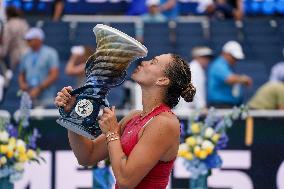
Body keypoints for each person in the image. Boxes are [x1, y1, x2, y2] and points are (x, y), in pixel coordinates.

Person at [54, 54, 196, 188]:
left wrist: (112, 133)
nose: (143, 62)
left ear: (162, 80)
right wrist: (74, 115)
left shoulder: (165, 123)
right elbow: (87, 156)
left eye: (153, 62)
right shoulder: (134, 116)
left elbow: (125, 181)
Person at [18, 27, 59, 108]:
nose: (27, 42)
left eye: (30, 40)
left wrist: (39, 88)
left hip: (46, 98)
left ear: (38, 39)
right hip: (29, 97)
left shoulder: (51, 53)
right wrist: (22, 84)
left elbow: (54, 75)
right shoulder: (25, 55)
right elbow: (22, 74)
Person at [207, 41, 252, 108]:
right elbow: (229, 79)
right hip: (220, 106)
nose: (235, 60)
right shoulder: (218, 65)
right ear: (225, 53)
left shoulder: (228, 66)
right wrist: (244, 79)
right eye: (233, 57)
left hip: (229, 105)